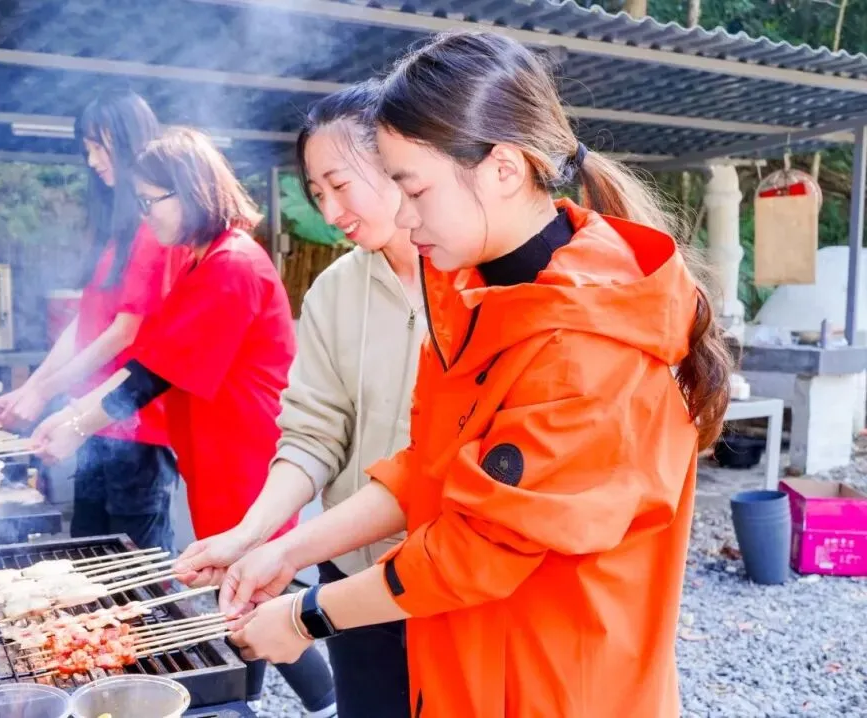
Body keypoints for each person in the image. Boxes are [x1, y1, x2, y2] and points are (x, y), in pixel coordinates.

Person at [222, 31, 735, 718]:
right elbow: (430, 468)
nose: (404, 216)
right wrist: (287, 552)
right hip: (469, 665)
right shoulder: (474, 293)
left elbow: (476, 550)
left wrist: (303, 617)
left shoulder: (587, 343)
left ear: (503, 169)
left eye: (413, 188)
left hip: (557, 683)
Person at [31, 127, 338, 717]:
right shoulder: (202, 260)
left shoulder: (232, 264)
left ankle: (326, 704)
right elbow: (153, 359)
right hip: (217, 453)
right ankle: (245, 703)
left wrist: (74, 423)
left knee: (252, 590)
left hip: (247, 459)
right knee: (237, 592)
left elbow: (150, 376)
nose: (145, 215)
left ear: (191, 191)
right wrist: (70, 414)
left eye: (152, 200)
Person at [172, 82, 419, 718]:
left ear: (400, 160)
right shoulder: (336, 290)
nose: (330, 211)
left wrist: (285, 552)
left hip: (441, 576)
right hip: (349, 574)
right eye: (316, 193)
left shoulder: (480, 282)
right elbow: (313, 433)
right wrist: (249, 536)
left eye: (340, 185)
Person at [0, 89, 179, 551]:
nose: (92, 160)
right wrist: (34, 386)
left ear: (130, 141)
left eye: (99, 146)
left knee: (137, 566)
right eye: (87, 148)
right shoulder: (116, 234)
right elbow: (84, 324)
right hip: (93, 423)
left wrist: (44, 393)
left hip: (136, 426)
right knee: (89, 550)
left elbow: (123, 333)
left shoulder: (153, 229)